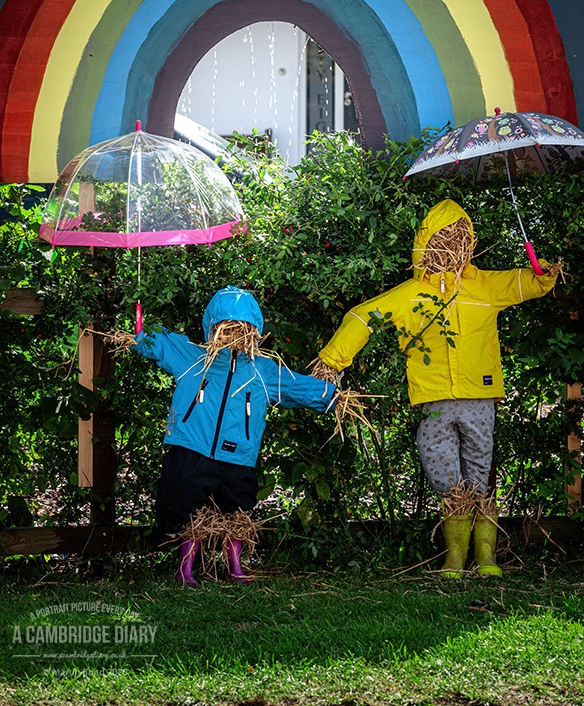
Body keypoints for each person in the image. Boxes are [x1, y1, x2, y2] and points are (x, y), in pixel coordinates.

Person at [311, 199, 560, 578]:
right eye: (442, 239)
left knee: (480, 470)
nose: (451, 246)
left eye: (459, 238)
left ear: (469, 243)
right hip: (434, 400)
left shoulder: (485, 285)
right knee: (441, 467)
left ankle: (486, 554)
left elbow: (523, 284)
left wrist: (542, 274)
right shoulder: (412, 293)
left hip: (479, 395)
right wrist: (333, 358)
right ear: (425, 245)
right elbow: (363, 316)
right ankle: (455, 554)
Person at [131, 285, 337, 585]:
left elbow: (295, 386)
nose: (233, 333)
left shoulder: (262, 370)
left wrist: (331, 395)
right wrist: (139, 332)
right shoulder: (192, 357)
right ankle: (185, 569)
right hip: (191, 447)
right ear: (211, 328)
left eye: (242, 327)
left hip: (238, 455)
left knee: (238, 513)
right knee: (181, 508)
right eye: (225, 327)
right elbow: (158, 343)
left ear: (254, 331)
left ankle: (236, 567)